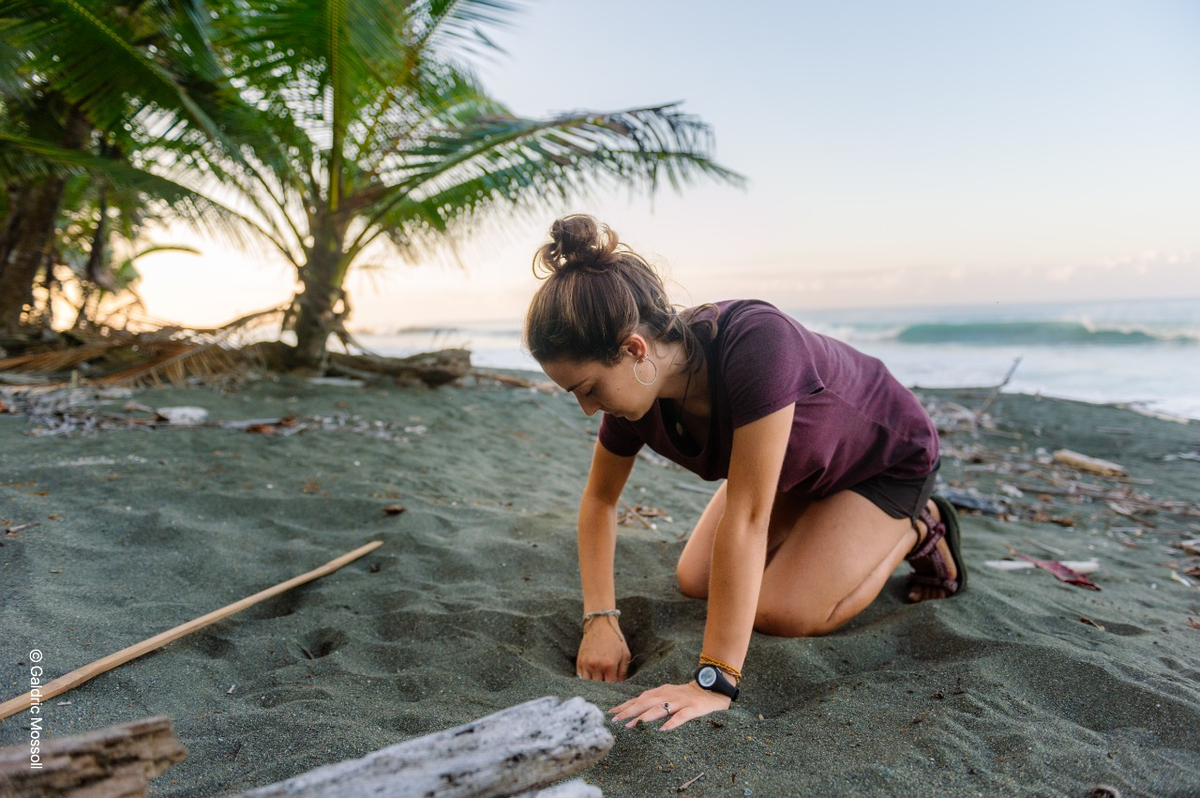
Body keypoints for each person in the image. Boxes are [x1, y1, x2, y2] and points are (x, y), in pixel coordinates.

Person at [523, 215, 967, 731]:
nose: (587, 408)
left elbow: (749, 516)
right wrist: (600, 619)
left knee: (780, 611)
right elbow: (600, 501)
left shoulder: (757, 342)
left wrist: (712, 682)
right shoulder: (633, 396)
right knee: (695, 579)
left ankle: (921, 526)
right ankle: (831, 528)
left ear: (634, 349)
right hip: (798, 472)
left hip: (884, 463)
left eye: (587, 388)